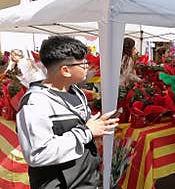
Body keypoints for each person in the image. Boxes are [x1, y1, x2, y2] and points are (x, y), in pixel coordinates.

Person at [16, 36, 119, 188]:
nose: (88, 67)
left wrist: (98, 125)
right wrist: (87, 132)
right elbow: (37, 154)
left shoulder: (76, 91)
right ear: (65, 70)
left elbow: (81, 126)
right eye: (83, 63)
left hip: (86, 180)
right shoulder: (35, 102)